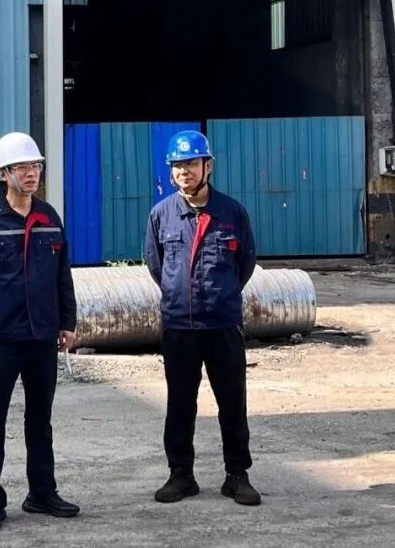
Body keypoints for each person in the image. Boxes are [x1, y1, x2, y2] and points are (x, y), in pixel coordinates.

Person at [0, 132, 79, 533]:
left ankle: (41, 493)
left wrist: (67, 321)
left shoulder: (49, 217)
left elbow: (62, 275)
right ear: (4, 173)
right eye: (22, 167)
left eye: (36, 166)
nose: (31, 173)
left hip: (42, 336)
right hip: (2, 339)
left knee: (40, 420)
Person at [143, 130, 262, 507]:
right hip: (179, 327)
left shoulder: (232, 212)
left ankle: (237, 475)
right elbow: (156, 264)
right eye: (177, 165)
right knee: (180, 403)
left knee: (232, 402)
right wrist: (181, 296)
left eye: (191, 164)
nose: (184, 171)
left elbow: (245, 263)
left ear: (207, 166)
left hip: (223, 325)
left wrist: (220, 295)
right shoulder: (161, 214)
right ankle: (181, 474)